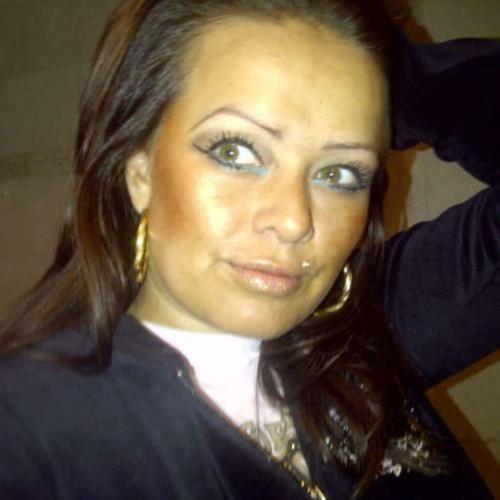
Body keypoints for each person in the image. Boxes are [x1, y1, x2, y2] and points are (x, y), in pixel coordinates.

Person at [0, 1, 497, 499]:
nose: (293, 220)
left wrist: (386, 71)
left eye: (338, 172)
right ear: (140, 173)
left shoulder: (378, 324)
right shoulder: (30, 427)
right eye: (235, 151)